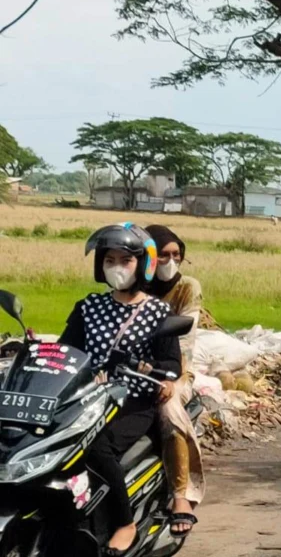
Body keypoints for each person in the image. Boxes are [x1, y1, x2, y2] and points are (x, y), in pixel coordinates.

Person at [59, 224, 180, 556]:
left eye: (125, 260)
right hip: (87, 399)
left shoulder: (157, 312)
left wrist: (161, 377)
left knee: (94, 445)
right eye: (109, 259)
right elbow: (66, 351)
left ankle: (124, 523)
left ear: (141, 265)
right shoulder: (88, 307)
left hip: (132, 400)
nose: (116, 267)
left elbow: (172, 363)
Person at [144, 225, 205, 537]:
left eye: (176, 255)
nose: (170, 261)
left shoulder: (186, 288)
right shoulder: (133, 283)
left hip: (176, 369)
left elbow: (185, 343)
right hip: (132, 369)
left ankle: (181, 495)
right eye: (162, 255)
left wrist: (167, 377)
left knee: (168, 409)